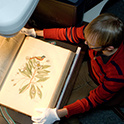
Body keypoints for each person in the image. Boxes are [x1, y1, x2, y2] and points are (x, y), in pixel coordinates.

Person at [25, 13, 124, 124]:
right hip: (90, 68)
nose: (85, 42)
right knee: (51, 88)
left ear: (109, 48)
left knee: (57, 109)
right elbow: (70, 33)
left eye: (90, 44)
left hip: (98, 85)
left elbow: (94, 100)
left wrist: (57, 114)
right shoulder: (96, 33)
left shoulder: (117, 73)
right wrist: (35, 33)